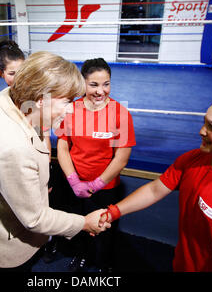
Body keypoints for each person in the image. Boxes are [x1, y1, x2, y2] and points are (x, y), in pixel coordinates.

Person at [0, 51, 111, 272]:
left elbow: (37, 131)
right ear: (42, 101)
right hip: (4, 238)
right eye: (67, 101)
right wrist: (84, 223)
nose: (72, 108)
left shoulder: (10, 97)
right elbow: (35, 218)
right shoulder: (13, 149)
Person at [99, 92, 212, 272]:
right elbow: (155, 189)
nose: (202, 131)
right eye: (204, 123)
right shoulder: (194, 159)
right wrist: (112, 213)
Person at [56, 58, 136, 272]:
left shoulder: (120, 114)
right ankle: (81, 255)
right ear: (83, 83)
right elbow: (63, 147)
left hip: (104, 188)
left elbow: (122, 158)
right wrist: (73, 180)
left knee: (103, 229)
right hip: (74, 183)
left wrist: (97, 184)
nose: (101, 91)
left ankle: (102, 264)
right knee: (78, 224)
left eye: (106, 84)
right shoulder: (71, 110)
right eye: (94, 85)